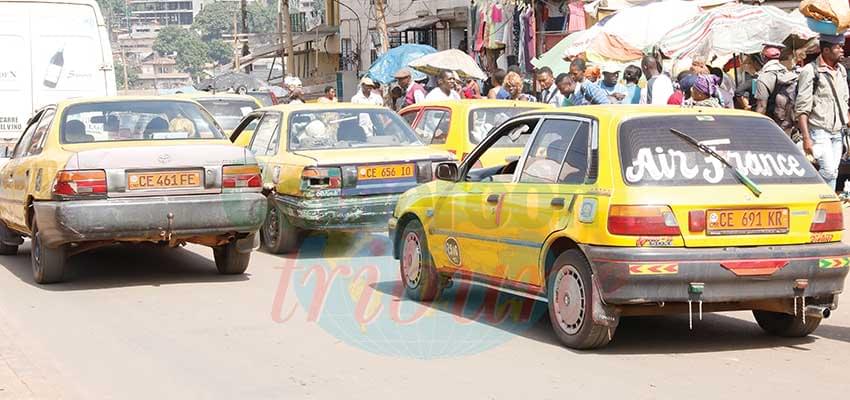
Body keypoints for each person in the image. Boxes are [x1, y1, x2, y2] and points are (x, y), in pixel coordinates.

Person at [796, 34, 850, 193]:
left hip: (838, 132)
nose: (841, 50)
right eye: (838, 47)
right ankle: (823, 202)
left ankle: (824, 206)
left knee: (833, 171)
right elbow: (802, 108)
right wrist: (806, 138)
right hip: (819, 131)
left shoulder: (841, 70)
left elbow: (844, 100)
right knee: (828, 171)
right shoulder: (810, 71)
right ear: (826, 50)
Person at [754, 43, 798, 134]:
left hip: (775, 121)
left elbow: (762, 106)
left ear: (763, 57)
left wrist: (756, 129)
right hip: (791, 118)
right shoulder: (787, 73)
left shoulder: (764, 77)